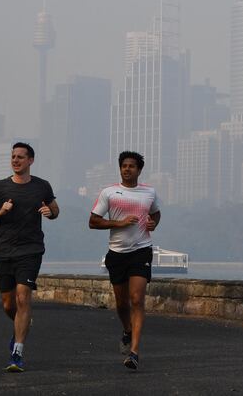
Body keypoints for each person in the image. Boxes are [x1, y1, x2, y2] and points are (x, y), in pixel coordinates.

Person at [0, 142, 59, 373]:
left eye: (21, 157)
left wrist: (49, 212)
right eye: (13, 156)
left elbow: (55, 210)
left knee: (23, 299)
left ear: (30, 160)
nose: (15, 160)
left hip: (30, 250)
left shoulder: (42, 186)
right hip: (2, 251)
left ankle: (17, 353)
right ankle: (22, 322)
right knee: (8, 304)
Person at [89, 151, 159, 370]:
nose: (127, 169)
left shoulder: (149, 192)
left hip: (141, 250)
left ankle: (135, 352)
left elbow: (156, 213)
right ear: (120, 169)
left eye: (131, 166)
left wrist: (153, 223)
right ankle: (127, 330)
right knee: (122, 303)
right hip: (116, 253)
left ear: (139, 170)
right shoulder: (109, 192)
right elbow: (93, 222)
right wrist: (118, 224)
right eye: (124, 166)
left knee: (137, 299)